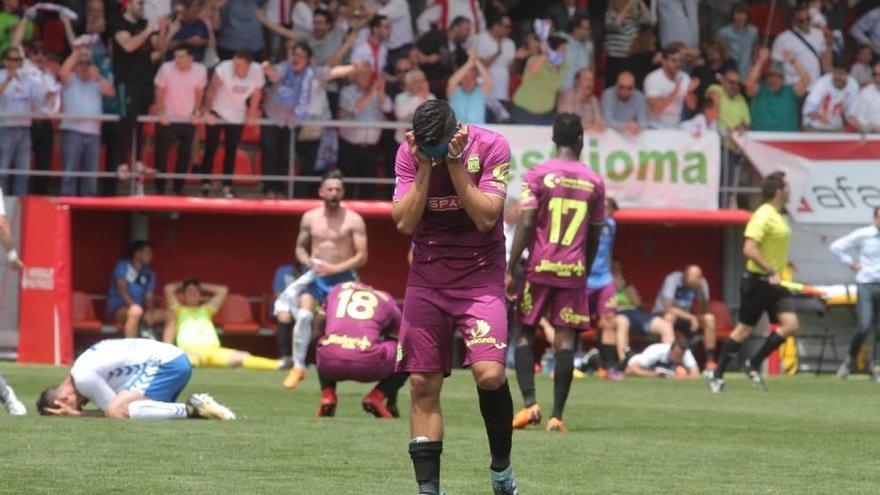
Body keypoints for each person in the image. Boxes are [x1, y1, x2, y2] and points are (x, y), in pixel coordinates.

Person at [392, 100, 518, 494]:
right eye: (426, 146)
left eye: (439, 145)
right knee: (421, 385)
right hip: (427, 280)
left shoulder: (492, 145)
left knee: (491, 375)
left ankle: (501, 471)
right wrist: (426, 167)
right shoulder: (411, 155)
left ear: (456, 132)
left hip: (480, 279)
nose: (432, 151)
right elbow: (404, 223)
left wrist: (455, 163)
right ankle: (429, 491)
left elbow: (485, 218)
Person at [506, 112, 604, 433]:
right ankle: (556, 416)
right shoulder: (595, 181)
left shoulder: (536, 175)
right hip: (573, 270)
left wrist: (510, 267)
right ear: (580, 140)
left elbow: (527, 222)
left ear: (553, 140)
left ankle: (530, 404)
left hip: (539, 268)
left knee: (524, 332)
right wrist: (583, 270)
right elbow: (594, 234)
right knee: (565, 341)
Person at [710, 172, 797, 393]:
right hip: (759, 281)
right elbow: (749, 248)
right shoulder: (763, 215)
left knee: (790, 325)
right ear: (778, 191)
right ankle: (717, 374)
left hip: (776, 283)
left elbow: (772, 247)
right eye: (787, 188)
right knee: (744, 331)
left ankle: (754, 363)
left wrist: (783, 263)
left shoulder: (779, 215)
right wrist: (770, 269)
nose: (789, 191)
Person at [281, 170, 368, 390]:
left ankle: (334, 372)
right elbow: (300, 247)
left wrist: (335, 268)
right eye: (330, 189)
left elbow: (362, 256)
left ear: (343, 192)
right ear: (321, 192)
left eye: (338, 189)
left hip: (342, 279)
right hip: (316, 277)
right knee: (302, 316)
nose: (334, 193)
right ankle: (298, 366)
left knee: (331, 328)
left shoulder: (353, 219)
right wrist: (306, 260)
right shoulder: (310, 217)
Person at [36, 338, 235, 420]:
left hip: (166, 363)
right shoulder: (81, 365)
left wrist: (79, 416)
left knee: (117, 410)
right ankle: (196, 410)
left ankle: (193, 408)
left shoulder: (84, 379)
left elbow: (112, 411)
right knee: (142, 410)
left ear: (63, 399)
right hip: (172, 358)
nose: (80, 406)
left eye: (74, 406)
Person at [315, 281, 408, 418]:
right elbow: (401, 342)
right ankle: (377, 396)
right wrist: (392, 399)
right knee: (406, 354)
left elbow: (316, 330)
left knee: (325, 344)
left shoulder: (336, 290)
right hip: (368, 364)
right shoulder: (386, 299)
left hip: (329, 363)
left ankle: (327, 395)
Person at [162, 278, 282, 370]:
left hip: (215, 351)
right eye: (189, 291)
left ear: (200, 294)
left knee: (243, 357)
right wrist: (185, 284)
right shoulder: (178, 310)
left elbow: (223, 290)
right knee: (191, 360)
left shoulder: (206, 310)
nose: (193, 293)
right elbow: (168, 288)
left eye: (196, 291)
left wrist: (200, 285)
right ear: (184, 294)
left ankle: (278, 365)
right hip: (191, 350)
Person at [109, 0, 163, 181]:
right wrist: (148, 30)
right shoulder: (118, 23)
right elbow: (128, 45)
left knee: (141, 122)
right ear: (129, 3)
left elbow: (159, 49)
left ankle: (138, 160)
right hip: (126, 80)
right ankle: (121, 163)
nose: (142, 7)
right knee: (127, 119)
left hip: (145, 80)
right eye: (140, 3)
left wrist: (165, 30)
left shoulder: (144, 24)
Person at [199, 49, 263, 198]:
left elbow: (256, 93)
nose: (235, 67)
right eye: (234, 64)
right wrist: (207, 111)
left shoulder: (257, 71)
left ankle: (227, 185)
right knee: (210, 147)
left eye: (239, 65)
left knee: (231, 150)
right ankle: (205, 183)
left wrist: (252, 113)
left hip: (237, 113)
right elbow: (211, 90)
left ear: (248, 65)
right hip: (217, 110)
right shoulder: (223, 68)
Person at [830, 208, 880, 381]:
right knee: (864, 325)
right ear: (875, 218)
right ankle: (849, 360)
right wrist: (851, 264)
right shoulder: (864, 234)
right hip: (866, 284)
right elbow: (836, 247)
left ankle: (877, 367)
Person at [57, 46, 114, 197]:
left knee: (91, 170)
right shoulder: (71, 79)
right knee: (70, 169)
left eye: (88, 63)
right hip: (72, 131)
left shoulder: (97, 81)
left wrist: (98, 77)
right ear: (75, 65)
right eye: (81, 63)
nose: (84, 66)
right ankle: (67, 197)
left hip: (93, 132)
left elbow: (111, 91)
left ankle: (88, 197)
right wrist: (76, 53)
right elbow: (62, 72)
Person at [153, 45, 206, 195]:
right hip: (168, 117)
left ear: (190, 58)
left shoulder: (200, 70)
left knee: (185, 154)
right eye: (176, 57)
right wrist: (161, 112)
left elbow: (199, 92)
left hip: (187, 118)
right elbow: (160, 90)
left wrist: (196, 111)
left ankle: (178, 187)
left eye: (182, 57)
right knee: (161, 154)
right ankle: (160, 187)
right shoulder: (166, 68)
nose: (178, 60)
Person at [337, 64, 391, 198]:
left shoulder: (377, 92)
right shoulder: (347, 92)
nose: (367, 77)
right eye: (363, 74)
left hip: (371, 148)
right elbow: (354, 108)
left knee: (368, 188)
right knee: (347, 185)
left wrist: (381, 91)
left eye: (369, 74)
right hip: (350, 147)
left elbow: (388, 108)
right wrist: (372, 92)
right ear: (354, 77)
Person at [0, 46, 48, 195]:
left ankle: (20, 205)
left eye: (19, 60)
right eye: (13, 59)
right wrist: (7, 81)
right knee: (2, 171)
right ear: (5, 61)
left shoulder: (28, 79)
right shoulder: (0, 75)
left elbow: (42, 98)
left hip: (25, 129)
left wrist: (44, 79)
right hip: (5, 128)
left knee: (23, 171)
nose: (16, 63)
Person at [650, 265, 717, 369]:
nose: (696, 282)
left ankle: (710, 361)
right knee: (669, 317)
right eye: (693, 279)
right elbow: (668, 308)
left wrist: (701, 291)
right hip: (663, 315)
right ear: (685, 276)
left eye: (699, 278)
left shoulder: (701, 283)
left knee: (709, 318)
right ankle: (670, 361)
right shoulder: (673, 279)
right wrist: (691, 318)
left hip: (686, 317)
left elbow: (705, 310)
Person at [611, 260, 674, 365]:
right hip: (619, 315)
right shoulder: (603, 288)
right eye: (613, 269)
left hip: (637, 314)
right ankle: (625, 361)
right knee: (623, 322)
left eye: (618, 269)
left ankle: (669, 362)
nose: (616, 272)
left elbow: (639, 304)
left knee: (665, 325)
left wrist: (623, 287)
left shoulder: (628, 287)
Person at [587, 197, 622, 378]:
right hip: (583, 278)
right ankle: (564, 363)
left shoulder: (611, 225)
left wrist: (612, 277)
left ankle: (610, 367)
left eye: (611, 210)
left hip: (604, 279)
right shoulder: (584, 221)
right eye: (607, 208)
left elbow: (608, 251)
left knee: (610, 320)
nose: (609, 212)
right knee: (570, 322)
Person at [107, 240, 165, 338]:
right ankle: (131, 349)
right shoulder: (123, 265)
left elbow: (149, 297)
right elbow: (121, 289)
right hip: (118, 309)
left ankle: (167, 350)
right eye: (147, 252)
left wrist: (151, 312)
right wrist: (134, 306)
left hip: (141, 310)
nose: (151, 256)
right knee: (135, 311)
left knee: (169, 315)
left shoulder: (149, 273)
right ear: (137, 254)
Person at [745, 47, 809, 133]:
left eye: (778, 77)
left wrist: (793, 61)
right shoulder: (759, 90)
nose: (773, 79)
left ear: (783, 80)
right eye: (771, 76)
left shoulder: (791, 92)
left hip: (787, 140)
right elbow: (750, 82)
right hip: (761, 139)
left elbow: (806, 79)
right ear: (766, 78)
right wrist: (761, 61)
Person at [771, 3, 831, 91]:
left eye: (808, 19)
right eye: (801, 20)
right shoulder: (782, 38)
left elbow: (825, 60)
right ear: (793, 21)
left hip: (814, 88)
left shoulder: (819, 34)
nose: (805, 22)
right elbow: (775, 65)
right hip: (792, 87)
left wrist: (829, 44)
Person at [510, 35, 568, 125]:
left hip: (547, 114)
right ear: (552, 50)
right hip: (523, 112)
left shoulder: (564, 65)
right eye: (562, 49)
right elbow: (532, 71)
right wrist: (545, 54)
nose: (565, 52)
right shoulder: (535, 60)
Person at [413, 15, 471, 98]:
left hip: (446, 94)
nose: (468, 33)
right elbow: (414, 54)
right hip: (427, 88)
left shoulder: (460, 51)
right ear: (455, 28)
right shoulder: (434, 36)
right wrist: (428, 59)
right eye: (466, 29)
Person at [644, 45, 699, 129]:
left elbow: (692, 106)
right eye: (673, 61)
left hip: (675, 127)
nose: (677, 64)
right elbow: (656, 109)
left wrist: (689, 92)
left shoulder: (684, 77)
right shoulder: (652, 78)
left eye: (680, 61)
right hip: (654, 127)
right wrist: (675, 92)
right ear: (664, 61)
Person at [604, 0, 653, 87]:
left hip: (631, 57)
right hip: (615, 59)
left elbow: (651, 21)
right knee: (614, 85)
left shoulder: (634, 16)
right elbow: (616, 24)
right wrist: (629, 4)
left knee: (629, 85)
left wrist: (640, 3)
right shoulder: (610, 14)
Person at [475, 14, 515, 119]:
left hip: (502, 94)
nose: (509, 30)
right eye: (506, 26)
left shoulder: (510, 43)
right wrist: (496, 54)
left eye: (510, 27)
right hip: (484, 93)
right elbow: (478, 64)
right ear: (495, 26)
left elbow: (512, 69)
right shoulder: (481, 39)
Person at [802, 61, 859, 132]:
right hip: (815, 126)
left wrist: (852, 119)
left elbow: (851, 110)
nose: (838, 77)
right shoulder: (822, 82)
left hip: (836, 127)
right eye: (836, 73)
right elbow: (808, 109)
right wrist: (819, 117)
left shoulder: (853, 85)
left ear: (848, 74)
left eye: (842, 73)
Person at [446, 48, 492, 125]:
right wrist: (469, 63)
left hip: (478, 132)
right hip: (458, 133)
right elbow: (452, 82)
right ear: (460, 79)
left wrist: (475, 60)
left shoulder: (480, 92)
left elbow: (488, 80)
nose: (468, 80)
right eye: (465, 77)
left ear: (475, 80)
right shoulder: (454, 92)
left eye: (471, 78)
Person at [624, 336, 700, 379]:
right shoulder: (655, 351)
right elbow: (631, 369)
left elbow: (695, 374)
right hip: (633, 360)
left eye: (680, 356)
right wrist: (653, 375)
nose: (678, 358)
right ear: (671, 350)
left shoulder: (686, 353)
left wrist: (677, 378)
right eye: (676, 355)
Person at [556, 68, 605, 132]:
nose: (590, 83)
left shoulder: (593, 100)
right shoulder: (567, 96)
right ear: (578, 81)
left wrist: (601, 124)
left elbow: (599, 120)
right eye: (587, 79)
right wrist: (593, 126)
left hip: (590, 136)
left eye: (592, 80)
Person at [719, 2, 758, 80]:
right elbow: (722, 54)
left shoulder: (754, 31)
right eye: (737, 13)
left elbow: (754, 53)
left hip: (747, 74)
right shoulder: (724, 32)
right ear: (732, 15)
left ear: (747, 15)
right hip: (729, 74)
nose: (740, 17)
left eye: (743, 13)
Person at [395, 69, 435, 144]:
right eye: (416, 82)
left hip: (425, 142)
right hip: (403, 142)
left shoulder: (431, 96)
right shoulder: (400, 97)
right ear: (408, 84)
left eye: (422, 81)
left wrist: (424, 98)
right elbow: (401, 114)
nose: (420, 84)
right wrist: (418, 98)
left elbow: (434, 116)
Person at [601, 71, 648, 136]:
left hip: (632, 136)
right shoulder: (608, 94)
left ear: (634, 87)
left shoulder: (639, 96)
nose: (625, 91)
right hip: (611, 135)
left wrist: (636, 127)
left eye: (629, 88)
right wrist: (626, 126)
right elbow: (607, 120)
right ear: (616, 85)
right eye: (621, 87)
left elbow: (643, 122)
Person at [350, 15, 390, 81]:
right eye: (386, 27)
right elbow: (352, 73)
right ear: (375, 29)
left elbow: (379, 72)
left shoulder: (384, 49)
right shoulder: (360, 49)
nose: (389, 31)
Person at [558, 15, 592, 92]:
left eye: (589, 29)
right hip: (560, 90)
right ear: (576, 29)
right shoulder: (561, 37)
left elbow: (590, 71)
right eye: (586, 29)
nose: (589, 32)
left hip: (578, 94)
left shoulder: (588, 47)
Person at [416, 0, 485, 35]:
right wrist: (431, 40)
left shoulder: (473, 2)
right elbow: (422, 20)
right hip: (450, 46)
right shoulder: (444, 2)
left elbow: (481, 21)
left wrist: (479, 40)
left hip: (471, 45)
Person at [858, 62, 880, 133]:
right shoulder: (865, 92)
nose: (877, 77)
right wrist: (873, 127)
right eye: (874, 74)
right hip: (872, 136)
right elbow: (860, 117)